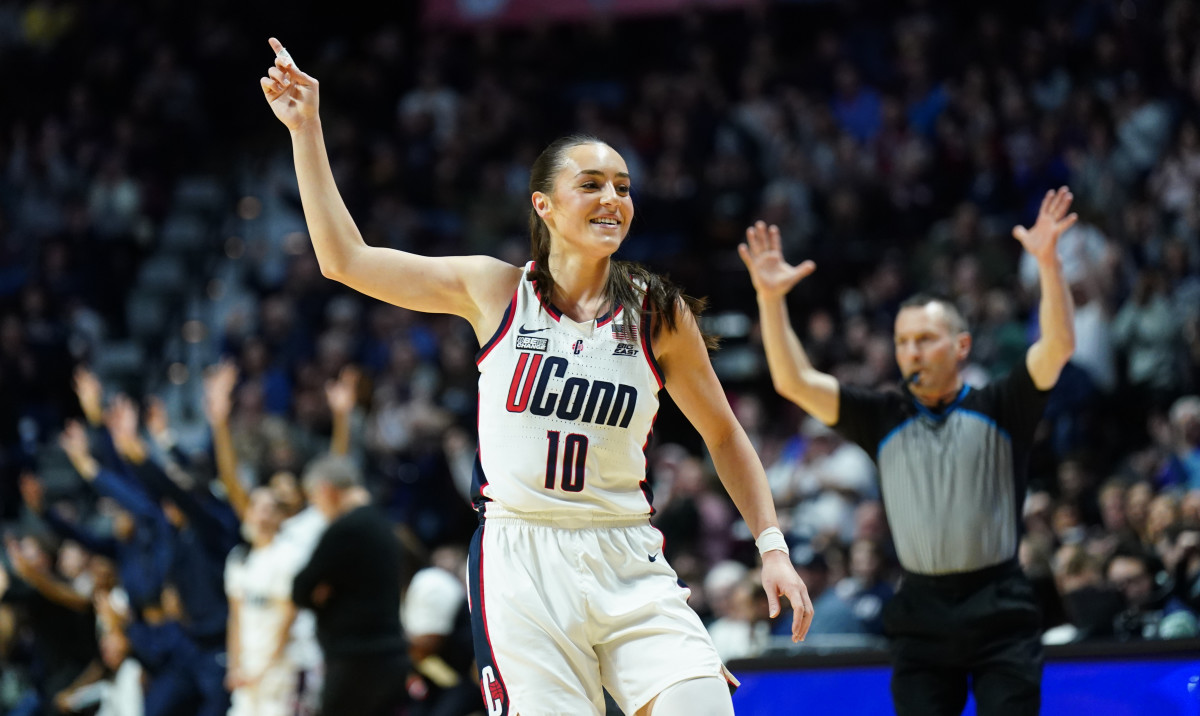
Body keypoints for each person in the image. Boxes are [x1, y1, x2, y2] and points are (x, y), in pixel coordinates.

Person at [260, 38, 812, 716]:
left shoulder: (658, 311)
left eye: (623, 187)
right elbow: (345, 259)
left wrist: (773, 546)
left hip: (626, 551)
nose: (613, 198)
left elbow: (725, 436)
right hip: (520, 558)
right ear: (544, 206)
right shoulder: (493, 290)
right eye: (591, 185)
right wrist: (307, 130)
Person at [740, 187, 1080, 716]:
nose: (910, 352)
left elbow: (1057, 347)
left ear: (961, 347)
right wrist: (769, 298)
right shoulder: (883, 415)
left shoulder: (1001, 403)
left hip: (1000, 605)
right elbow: (793, 380)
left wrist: (1048, 264)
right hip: (920, 612)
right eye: (902, 342)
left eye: (925, 339)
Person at [291, 455, 408, 716]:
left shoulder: (345, 529)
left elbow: (301, 589)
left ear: (326, 490)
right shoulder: (384, 525)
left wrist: (325, 600)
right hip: (391, 657)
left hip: (356, 661)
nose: (318, 509)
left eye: (314, 500)